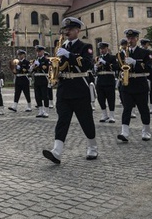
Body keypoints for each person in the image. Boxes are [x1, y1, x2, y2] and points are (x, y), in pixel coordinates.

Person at [42, 17, 97, 163]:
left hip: (79, 87)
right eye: (66, 29)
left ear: (77, 31)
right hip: (64, 88)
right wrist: (53, 71)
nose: (67, 32)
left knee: (85, 120)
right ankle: (57, 152)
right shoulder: (61, 47)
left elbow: (86, 65)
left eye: (70, 29)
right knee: (62, 120)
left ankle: (92, 147)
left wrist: (69, 56)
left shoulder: (85, 47)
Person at [116, 29, 152, 142]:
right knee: (126, 109)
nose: (130, 40)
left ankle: (146, 131)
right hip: (126, 85)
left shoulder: (145, 53)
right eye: (128, 38)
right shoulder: (121, 53)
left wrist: (135, 62)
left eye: (132, 38)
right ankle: (124, 133)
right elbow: (116, 67)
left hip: (140, 83)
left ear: (137, 39)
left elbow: (148, 68)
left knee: (143, 109)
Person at [94, 42, 119, 123]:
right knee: (101, 98)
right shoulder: (98, 58)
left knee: (110, 98)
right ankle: (104, 115)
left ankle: (112, 116)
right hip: (100, 80)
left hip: (109, 80)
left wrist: (105, 63)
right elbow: (96, 71)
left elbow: (116, 67)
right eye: (101, 49)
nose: (102, 50)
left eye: (103, 49)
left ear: (107, 49)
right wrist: (95, 67)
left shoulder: (112, 57)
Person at [30, 45, 51, 118]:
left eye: (39, 51)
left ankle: (46, 111)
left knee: (45, 95)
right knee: (37, 95)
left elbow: (45, 68)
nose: (38, 53)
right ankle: (40, 110)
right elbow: (31, 70)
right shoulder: (35, 60)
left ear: (42, 52)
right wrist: (32, 66)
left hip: (43, 78)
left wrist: (39, 65)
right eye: (37, 51)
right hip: (37, 79)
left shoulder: (46, 60)